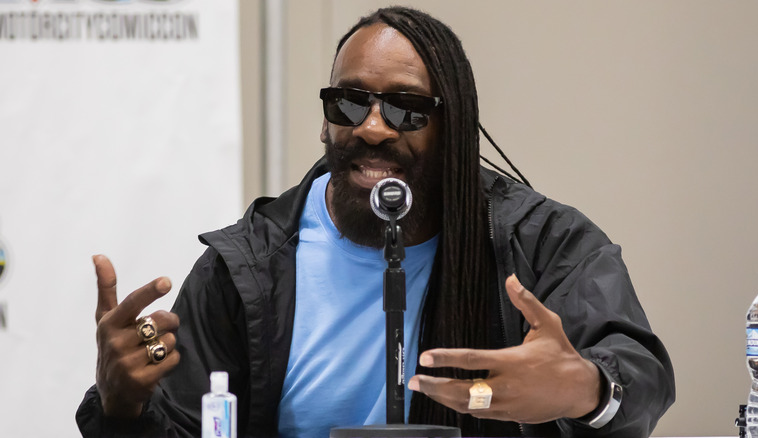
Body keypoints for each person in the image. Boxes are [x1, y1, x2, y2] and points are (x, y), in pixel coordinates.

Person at [76, 6, 675, 438]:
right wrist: (122, 408)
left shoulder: (541, 244)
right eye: (350, 101)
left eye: (406, 109)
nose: (372, 127)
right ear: (325, 120)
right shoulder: (249, 267)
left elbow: (642, 375)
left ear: (454, 129)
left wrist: (587, 388)